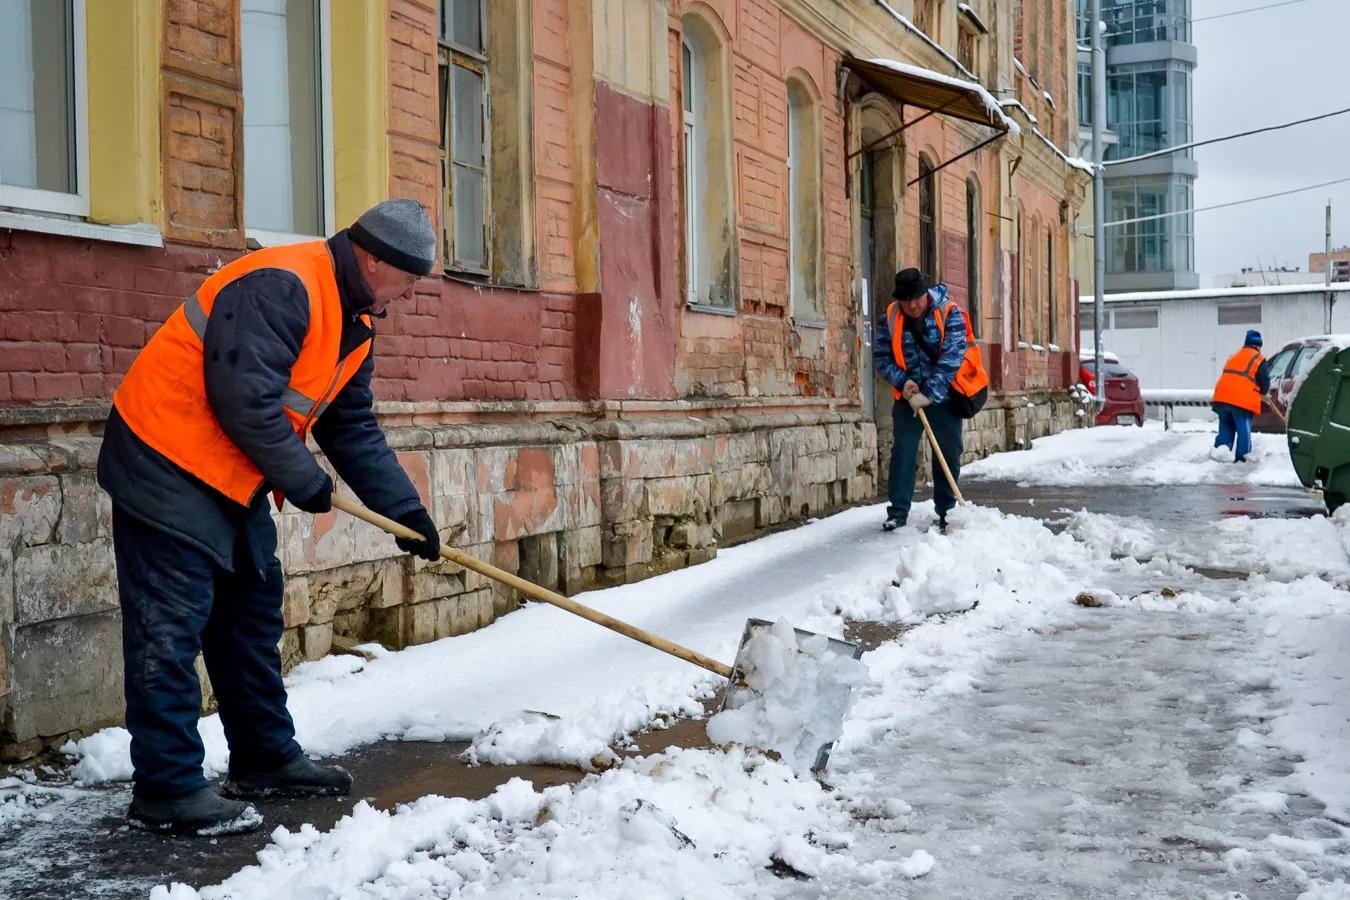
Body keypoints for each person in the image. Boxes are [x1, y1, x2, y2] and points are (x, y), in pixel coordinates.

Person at [97, 199, 446, 836]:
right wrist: (304, 481)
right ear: (374, 260)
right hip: (163, 461)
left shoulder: (353, 319)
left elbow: (351, 425)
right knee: (169, 633)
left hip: (230, 477)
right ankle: (167, 789)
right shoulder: (284, 285)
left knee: (250, 618)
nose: (411, 294)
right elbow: (243, 398)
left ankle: (263, 758)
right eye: (409, 279)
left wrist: (405, 512)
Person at [873, 268, 986, 533]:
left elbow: (952, 358)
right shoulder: (888, 317)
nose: (912, 305)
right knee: (903, 451)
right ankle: (898, 511)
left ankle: (946, 511)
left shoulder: (950, 313)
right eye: (906, 300)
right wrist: (904, 382)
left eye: (917, 298)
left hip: (945, 396)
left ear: (926, 293)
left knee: (948, 452)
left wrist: (929, 394)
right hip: (908, 398)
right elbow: (881, 358)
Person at [1211, 329, 1271, 463]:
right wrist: (1263, 392)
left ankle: (1220, 457)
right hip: (1241, 401)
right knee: (1244, 432)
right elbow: (1264, 380)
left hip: (1221, 398)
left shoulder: (1234, 356)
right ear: (1258, 346)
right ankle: (1242, 460)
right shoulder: (1258, 358)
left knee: (1226, 428)